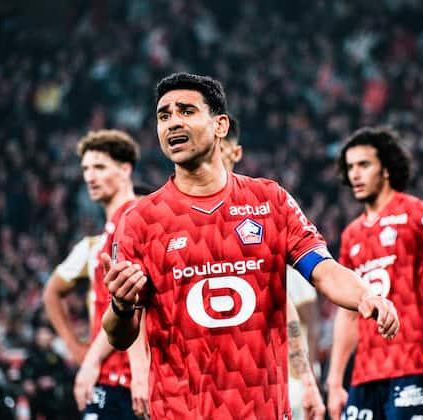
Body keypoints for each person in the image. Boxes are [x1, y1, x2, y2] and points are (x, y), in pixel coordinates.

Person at [100, 72, 400, 420]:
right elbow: (119, 337)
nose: (173, 122)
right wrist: (121, 306)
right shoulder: (140, 220)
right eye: (164, 116)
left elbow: (323, 270)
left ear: (220, 125)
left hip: (262, 411)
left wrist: (364, 296)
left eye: (186, 111)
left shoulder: (269, 200)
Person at [326, 126, 423, 420]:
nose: (355, 174)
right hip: (365, 374)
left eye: (364, 165)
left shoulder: (416, 214)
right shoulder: (351, 234)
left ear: (385, 169)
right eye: (350, 167)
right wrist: (334, 381)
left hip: (415, 365)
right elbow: (347, 314)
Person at [221, 115, 324, 420]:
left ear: (236, 153)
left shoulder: (267, 219)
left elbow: (305, 314)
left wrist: (308, 374)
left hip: (284, 380)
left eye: (221, 150)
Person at [43, 130, 149, 419]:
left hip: (127, 380)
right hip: (111, 375)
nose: (90, 177)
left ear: (125, 169)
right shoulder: (106, 233)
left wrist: (93, 360)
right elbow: (52, 292)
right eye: (86, 169)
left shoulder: (134, 217)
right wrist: (78, 350)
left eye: (100, 167)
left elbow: (138, 301)